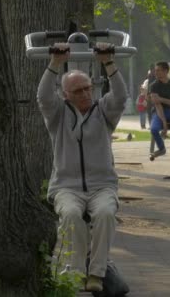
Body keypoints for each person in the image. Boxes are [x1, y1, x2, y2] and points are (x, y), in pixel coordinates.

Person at [37, 42, 127, 293]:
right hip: (67, 186)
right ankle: (75, 273)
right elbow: (43, 96)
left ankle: (96, 274)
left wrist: (108, 63)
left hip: (102, 186)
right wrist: (54, 63)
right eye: (78, 91)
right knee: (71, 215)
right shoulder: (58, 115)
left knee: (106, 213)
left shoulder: (103, 111)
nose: (85, 94)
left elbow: (120, 96)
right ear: (66, 94)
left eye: (88, 88)